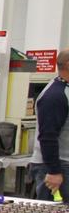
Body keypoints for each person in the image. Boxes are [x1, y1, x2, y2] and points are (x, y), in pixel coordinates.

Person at [30, 49, 69, 201]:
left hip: (62, 164)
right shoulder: (55, 95)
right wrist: (54, 171)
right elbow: (47, 135)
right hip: (55, 167)